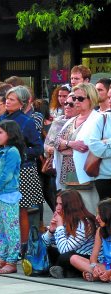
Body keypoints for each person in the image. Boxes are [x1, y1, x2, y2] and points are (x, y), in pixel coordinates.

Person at [0, 86, 44, 257]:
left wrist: (18, 154)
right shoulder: (1, 118)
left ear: (22, 103)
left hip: (23, 171)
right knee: (2, 210)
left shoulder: (27, 121)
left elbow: (38, 148)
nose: (8, 101)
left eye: (12, 99)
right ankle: (5, 249)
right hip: (2, 169)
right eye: (7, 98)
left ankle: (22, 247)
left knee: (20, 209)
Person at [0, 120, 25, 274]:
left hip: (8, 195)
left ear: (11, 134)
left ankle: (12, 260)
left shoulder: (12, 152)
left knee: (11, 229)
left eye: (0, 132)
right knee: (1, 229)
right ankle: (2, 257)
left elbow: (6, 175)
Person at [54, 83, 100, 214]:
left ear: (91, 99)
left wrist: (66, 145)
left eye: (80, 99)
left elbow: (88, 145)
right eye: (74, 98)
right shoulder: (71, 120)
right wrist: (72, 144)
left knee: (87, 211)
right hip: (66, 175)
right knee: (69, 214)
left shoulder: (98, 119)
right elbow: (56, 142)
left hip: (85, 175)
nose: (76, 102)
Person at [42, 190, 97, 279]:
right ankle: (65, 271)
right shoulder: (65, 219)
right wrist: (51, 231)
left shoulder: (84, 223)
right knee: (48, 250)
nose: (57, 208)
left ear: (71, 206)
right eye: (57, 204)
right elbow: (43, 244)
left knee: (65, 257)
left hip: (86, 258)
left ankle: (67, 271)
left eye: (61, 204)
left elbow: (64, 250)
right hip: (70, 253)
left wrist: (59, 226)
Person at [71, 199, 111, 282]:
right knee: (74, 258)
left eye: (99, 214)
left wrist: (109, 272)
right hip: (106, 266)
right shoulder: (100, 231)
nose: (97, 218)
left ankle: (97, 276)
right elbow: (93, 257)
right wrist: (94, 267)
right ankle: (99, 275)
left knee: (102, 274)